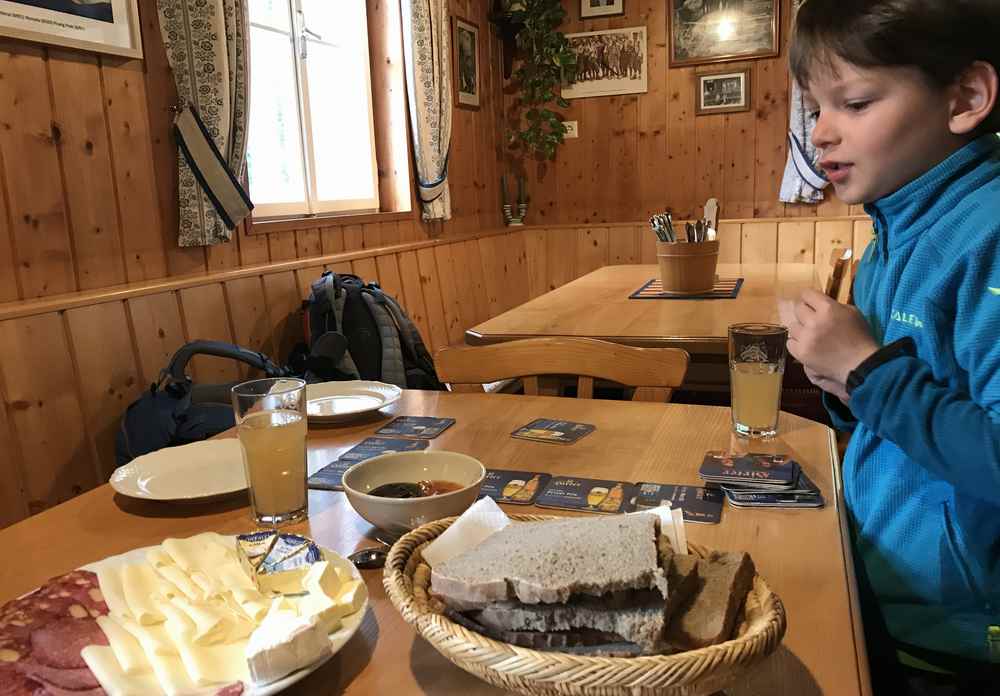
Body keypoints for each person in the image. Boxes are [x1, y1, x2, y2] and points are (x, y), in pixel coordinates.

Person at [783, 0, 1000, 693]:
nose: (821, 134)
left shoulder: (988, 235)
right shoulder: (890, 234)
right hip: (890, 589)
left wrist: (867, 370)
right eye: (815, 109)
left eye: (854, 102)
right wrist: (843, 384)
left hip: (964, 637)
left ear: (966, 97)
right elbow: (901, 411)